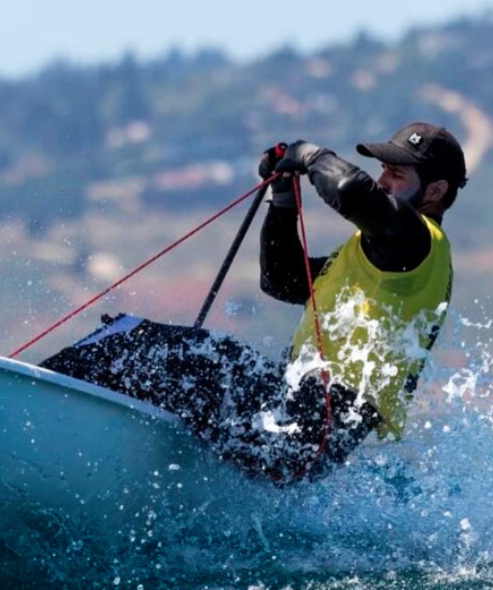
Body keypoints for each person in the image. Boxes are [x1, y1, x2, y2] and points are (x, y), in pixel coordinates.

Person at [42, 122, 465, 484]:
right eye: (383, 170)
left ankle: (24, 396)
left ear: (436, 190)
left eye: (395, 174)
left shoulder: (421, 242)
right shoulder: (374, 257)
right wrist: (282, 199)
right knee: (143, 343)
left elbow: (351, 190)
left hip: (305, 432)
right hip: (290, 418)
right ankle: (65, 421)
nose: (382, 181)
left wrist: (310, 155)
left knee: (134, 339)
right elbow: (282, 281)